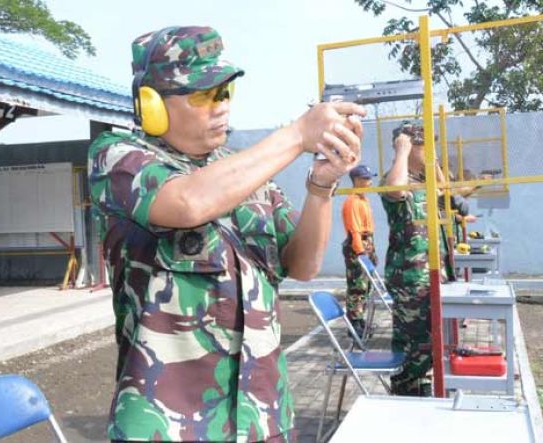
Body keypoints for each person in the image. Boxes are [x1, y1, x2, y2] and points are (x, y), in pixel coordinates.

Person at [88, 26, 365, 442]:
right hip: (168, 424)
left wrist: (321, 186)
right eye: (202, 96)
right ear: (151, 104)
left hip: (261, 416)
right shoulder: (117, 158)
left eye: (224, 93)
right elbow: (187, 203)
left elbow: (304, 265)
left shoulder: (245, 172)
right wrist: (295, 134)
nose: (220, 107)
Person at [380, 121, 449, 397]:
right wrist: (402, 151)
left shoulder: (423, 180)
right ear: (410, 146)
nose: (431, 152)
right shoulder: (395, 177)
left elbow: (445, 191)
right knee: (414, 344)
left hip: (429, 274)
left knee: (428, 342)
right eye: (426, 146)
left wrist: (432, 162)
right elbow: (396, 190)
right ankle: (408, 395)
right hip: (409, 276)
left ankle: (420, 390)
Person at [341, 164, 378, 337]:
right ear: (357, 180)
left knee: (366, 285)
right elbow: (354, 228)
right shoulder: (352, 201)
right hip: (359, 244)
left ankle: (360, 320)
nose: (370, 182)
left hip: (366, 242)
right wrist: (360, 250)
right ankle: (354, 323)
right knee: (357, 286)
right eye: (366, 178)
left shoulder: (363, 199)